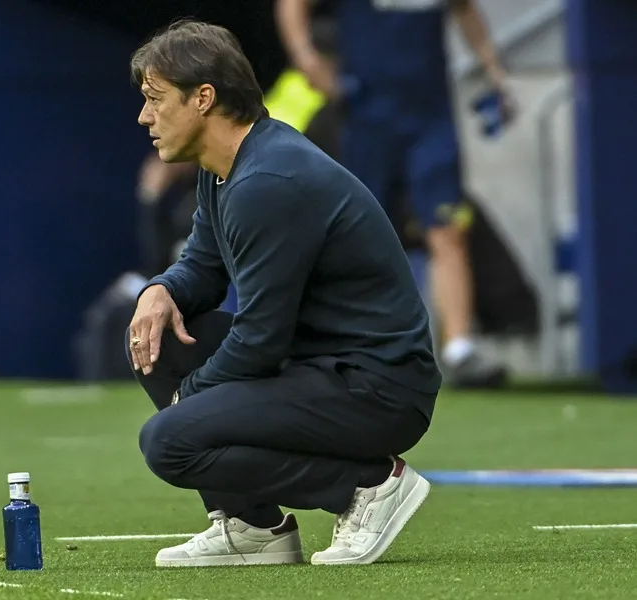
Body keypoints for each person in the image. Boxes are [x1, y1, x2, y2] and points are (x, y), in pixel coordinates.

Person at [126, 19, 439, 568]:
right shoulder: (224, 166)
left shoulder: (267, 182)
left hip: (376, 387)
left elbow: (261, 341)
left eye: (155, 99)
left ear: (203, 98)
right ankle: (254, 527)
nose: (144, 117)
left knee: (168, 442)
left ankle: (369, 484)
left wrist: (188, 403)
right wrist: (160, 289)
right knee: (160, 339)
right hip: (316, 365)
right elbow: (203, 266)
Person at [276, 0, 513, 388]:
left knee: (449, 227)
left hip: (430, 117)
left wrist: (494, 73)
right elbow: (292, 5)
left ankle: (459, 348)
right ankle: (354, 343)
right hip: (368, 117)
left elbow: (466, 10)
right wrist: (307, 59)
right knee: (360, 232)